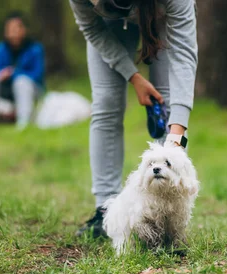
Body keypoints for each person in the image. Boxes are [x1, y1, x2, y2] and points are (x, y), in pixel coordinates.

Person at [70, 0, 198, 238]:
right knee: (107, 102)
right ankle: (105, 211)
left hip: (160, 13)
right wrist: (134, 77)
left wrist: (177, 134)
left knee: (168, 99)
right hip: (109, 26)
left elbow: (184, 56)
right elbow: (92, 29)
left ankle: (169, 218)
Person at [0, 11, 45, 130]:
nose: (13, 33)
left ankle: (23, 121)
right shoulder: (0, 49)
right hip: (6, 89)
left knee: (21, 81)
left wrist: (13, 74)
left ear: (24, 30)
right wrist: (2, 75)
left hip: (30, 89)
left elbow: (37, 75)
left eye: (16, 28)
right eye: (10, 29)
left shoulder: (35, 49)